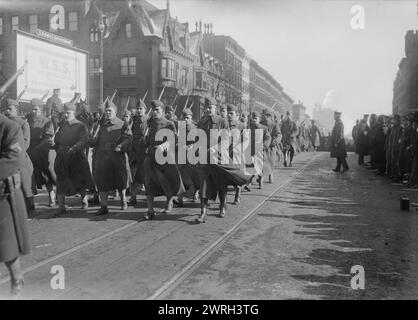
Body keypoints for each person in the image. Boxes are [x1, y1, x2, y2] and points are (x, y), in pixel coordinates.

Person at [0, 114, 31, 296]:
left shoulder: (10, 127)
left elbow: (13, 159)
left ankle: (16, 278)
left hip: (4, 194)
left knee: (6, 243)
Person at [51, 102, 95, 214]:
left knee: (80, 181)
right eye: (65, 113)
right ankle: (61, 207)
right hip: (62, 158)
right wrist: (51, 144)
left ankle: (84, 202)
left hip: (76, 158)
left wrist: (75, 148)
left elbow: (84, 140)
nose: (66, 115)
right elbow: (57, 142)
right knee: (61, 181)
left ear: (74, 113)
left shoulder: (81, 126)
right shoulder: (62, 127)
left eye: (68, 113)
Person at [143, 100, 185, 219]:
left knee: (166, 183)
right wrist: (145, 141)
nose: (155, 112)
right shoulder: (150, 124)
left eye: (157, 110)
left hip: (164, 159)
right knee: (149, 184)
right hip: (150, 158)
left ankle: (169, 200)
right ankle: (150, 212)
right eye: (153, 110)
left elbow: (173, 139)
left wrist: (164, 145)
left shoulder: (169, 124)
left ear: (162, 111)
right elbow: (147, 142)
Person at [92, 101, 132, 215]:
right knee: (101, 181)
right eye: (106, 111)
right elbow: (98, 139)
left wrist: (121, 146)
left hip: (117, 157)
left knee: (120, 180)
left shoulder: (122, 124)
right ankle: (104, 206)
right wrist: (93, 142)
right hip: (103, 158)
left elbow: (128, 138)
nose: (108, 113)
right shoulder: (101, 125)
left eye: (110, 111)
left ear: (115, 111)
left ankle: (123, 200)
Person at [5, 99, 35, 213]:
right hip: (5, 158)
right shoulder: (3, 123)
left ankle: (30, 207)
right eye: (6, 109)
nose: (7, 111)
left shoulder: (23, 123)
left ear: (16, 110)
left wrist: (10, 149)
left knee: (25, 184)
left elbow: (25, 143)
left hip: (20, 158)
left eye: (10, 109)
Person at [27, 98, 57, 206]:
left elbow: (47, 137)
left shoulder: (47, 121)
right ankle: (30, 202)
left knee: (47, 174)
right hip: (30, 151)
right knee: (31, 175)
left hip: (43, 152)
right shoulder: (28, 121)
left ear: (41, 109)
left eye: (35, 109)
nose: (33, 111)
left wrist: (38, 148)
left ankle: (52, 195)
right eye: (32, 109)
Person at [128, 100, 149, 206]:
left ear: (145, 110)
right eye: (138, 109)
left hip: (143, 152)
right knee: (133, 174)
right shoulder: (134, 120)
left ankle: (149, 197)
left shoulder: (148, 120)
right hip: (134, 151)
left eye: (141, 109)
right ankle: (133, 197)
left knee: (145, 175)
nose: (139, 110)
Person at [249, 111, 272, 189]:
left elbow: (268, 138)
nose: (254, 120)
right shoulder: (251, 128)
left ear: (259, 119)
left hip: (261, 150)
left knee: (259, 166)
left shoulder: (264, 128)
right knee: (251, 165)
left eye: (256, 118)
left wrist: (265, 145)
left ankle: (260, 180)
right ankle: (249, 181)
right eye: (253, 119)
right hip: (252, 150)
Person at [261, 109, 282, 183]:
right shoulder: (261, 124)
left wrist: (275, 141)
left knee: (271, 161)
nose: (266, 117)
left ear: (270, 117)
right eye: (265, 115)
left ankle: (271, 174)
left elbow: (279, 135)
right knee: (262, 161)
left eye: (268, 116)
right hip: (263, 145)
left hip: (272, 146)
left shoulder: (274, 125)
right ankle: (262, 176)